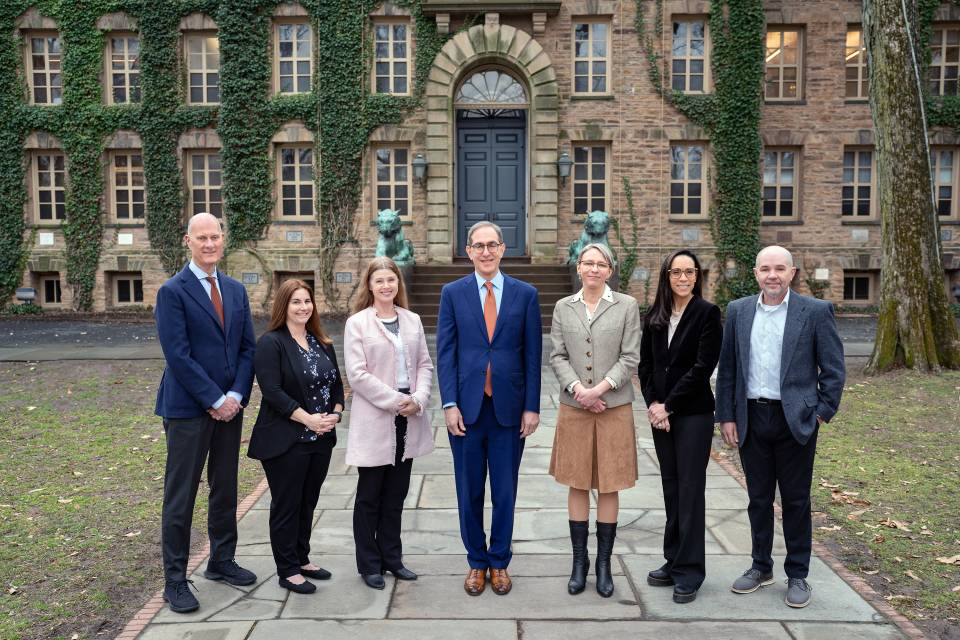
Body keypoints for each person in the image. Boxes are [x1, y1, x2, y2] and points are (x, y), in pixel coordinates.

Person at [715, 245, 845, 608]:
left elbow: (833, 369)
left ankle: (798, 574)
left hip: (796, 421)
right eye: (765, 269)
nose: (772, 275)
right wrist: (725, 415)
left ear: (792, 273)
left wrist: (821, 412)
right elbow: (728, 369)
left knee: (796, 500)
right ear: (755, 273)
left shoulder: (815, 312)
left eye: (779, 269)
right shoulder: (739, 311)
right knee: (758, 499)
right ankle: (760, 566)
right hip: (751, 419)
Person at [154, 212, 257, 613]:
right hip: (188, 410)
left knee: (225, 487)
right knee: (181, 496)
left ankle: (221, 560)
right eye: (202, 238)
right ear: (188, 241)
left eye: (215, 236)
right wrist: (215, 400)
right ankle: (175, 580)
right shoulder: (172, 291)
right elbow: (178, 356)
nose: (210, 243)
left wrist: (235, 396)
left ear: (223, 239)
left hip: (230, 408)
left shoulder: (234, 290)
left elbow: (248, 348)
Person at [436, 221, 542, 596]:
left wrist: (532, 407)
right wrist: (449, 403)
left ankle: (499, 561)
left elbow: (533, 355)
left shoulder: (525, 294)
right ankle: (476, 562)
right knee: (469, 492)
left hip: (509, 412)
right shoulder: (453, 293)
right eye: (478, 246)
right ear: (469, 251)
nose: (485, 252)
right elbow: (445, 353)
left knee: (505, 491)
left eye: (492, 245)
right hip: (465, 410)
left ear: (502, 249)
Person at [549, 243, 641, 598]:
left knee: (608, 483)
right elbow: (557, 355)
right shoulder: (562, 307)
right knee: (576, 481)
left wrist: (599, 389)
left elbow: (630, 356)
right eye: (587, 262)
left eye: (600, 264)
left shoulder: (626, 306)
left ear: (610, 269)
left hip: (613, 407)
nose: (593, 269)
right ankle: (579, 562)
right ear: (578, 267)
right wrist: (578, 390)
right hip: (574, 408)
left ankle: (603, 564)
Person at [247, 279, 344, 594]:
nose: (303, 307)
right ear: (283, 307)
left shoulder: (322, 341)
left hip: (321, 439)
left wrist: (336, 414)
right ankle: (287, 570)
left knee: (308, 502)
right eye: (296, 302)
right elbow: (272, 391)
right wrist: (308, 420)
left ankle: (302, 558)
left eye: (307, 301)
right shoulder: (271, 343)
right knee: (287, 504)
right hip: (286, 439)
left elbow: (337, 386)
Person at [637, 249, 722, 604]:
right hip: (662, 416)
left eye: (690, 272)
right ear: (666, 276)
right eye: (677, 272)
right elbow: (645, 366)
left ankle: (690, 571)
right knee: (671, 489)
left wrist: (668, 406)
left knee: (689, 491)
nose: (683, 278)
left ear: (698, 276)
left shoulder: (707, 314)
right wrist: (654, 405)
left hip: (692, 415)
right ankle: (673, 560)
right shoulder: (655, 316)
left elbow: (702, 368)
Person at [344, 257, 434, 590]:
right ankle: (369, 564)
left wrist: (419, 399)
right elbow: (357, 374)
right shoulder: (358, 324)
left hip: (408, 418)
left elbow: (424, 364)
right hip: (377, 416)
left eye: (391, 281)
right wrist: (398, 401)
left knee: (396, 494)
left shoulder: (412, 320)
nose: (386, 286)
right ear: (369, 285)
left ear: (398, 284)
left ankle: (392, 559)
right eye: (379, 281)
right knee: (369, 495)